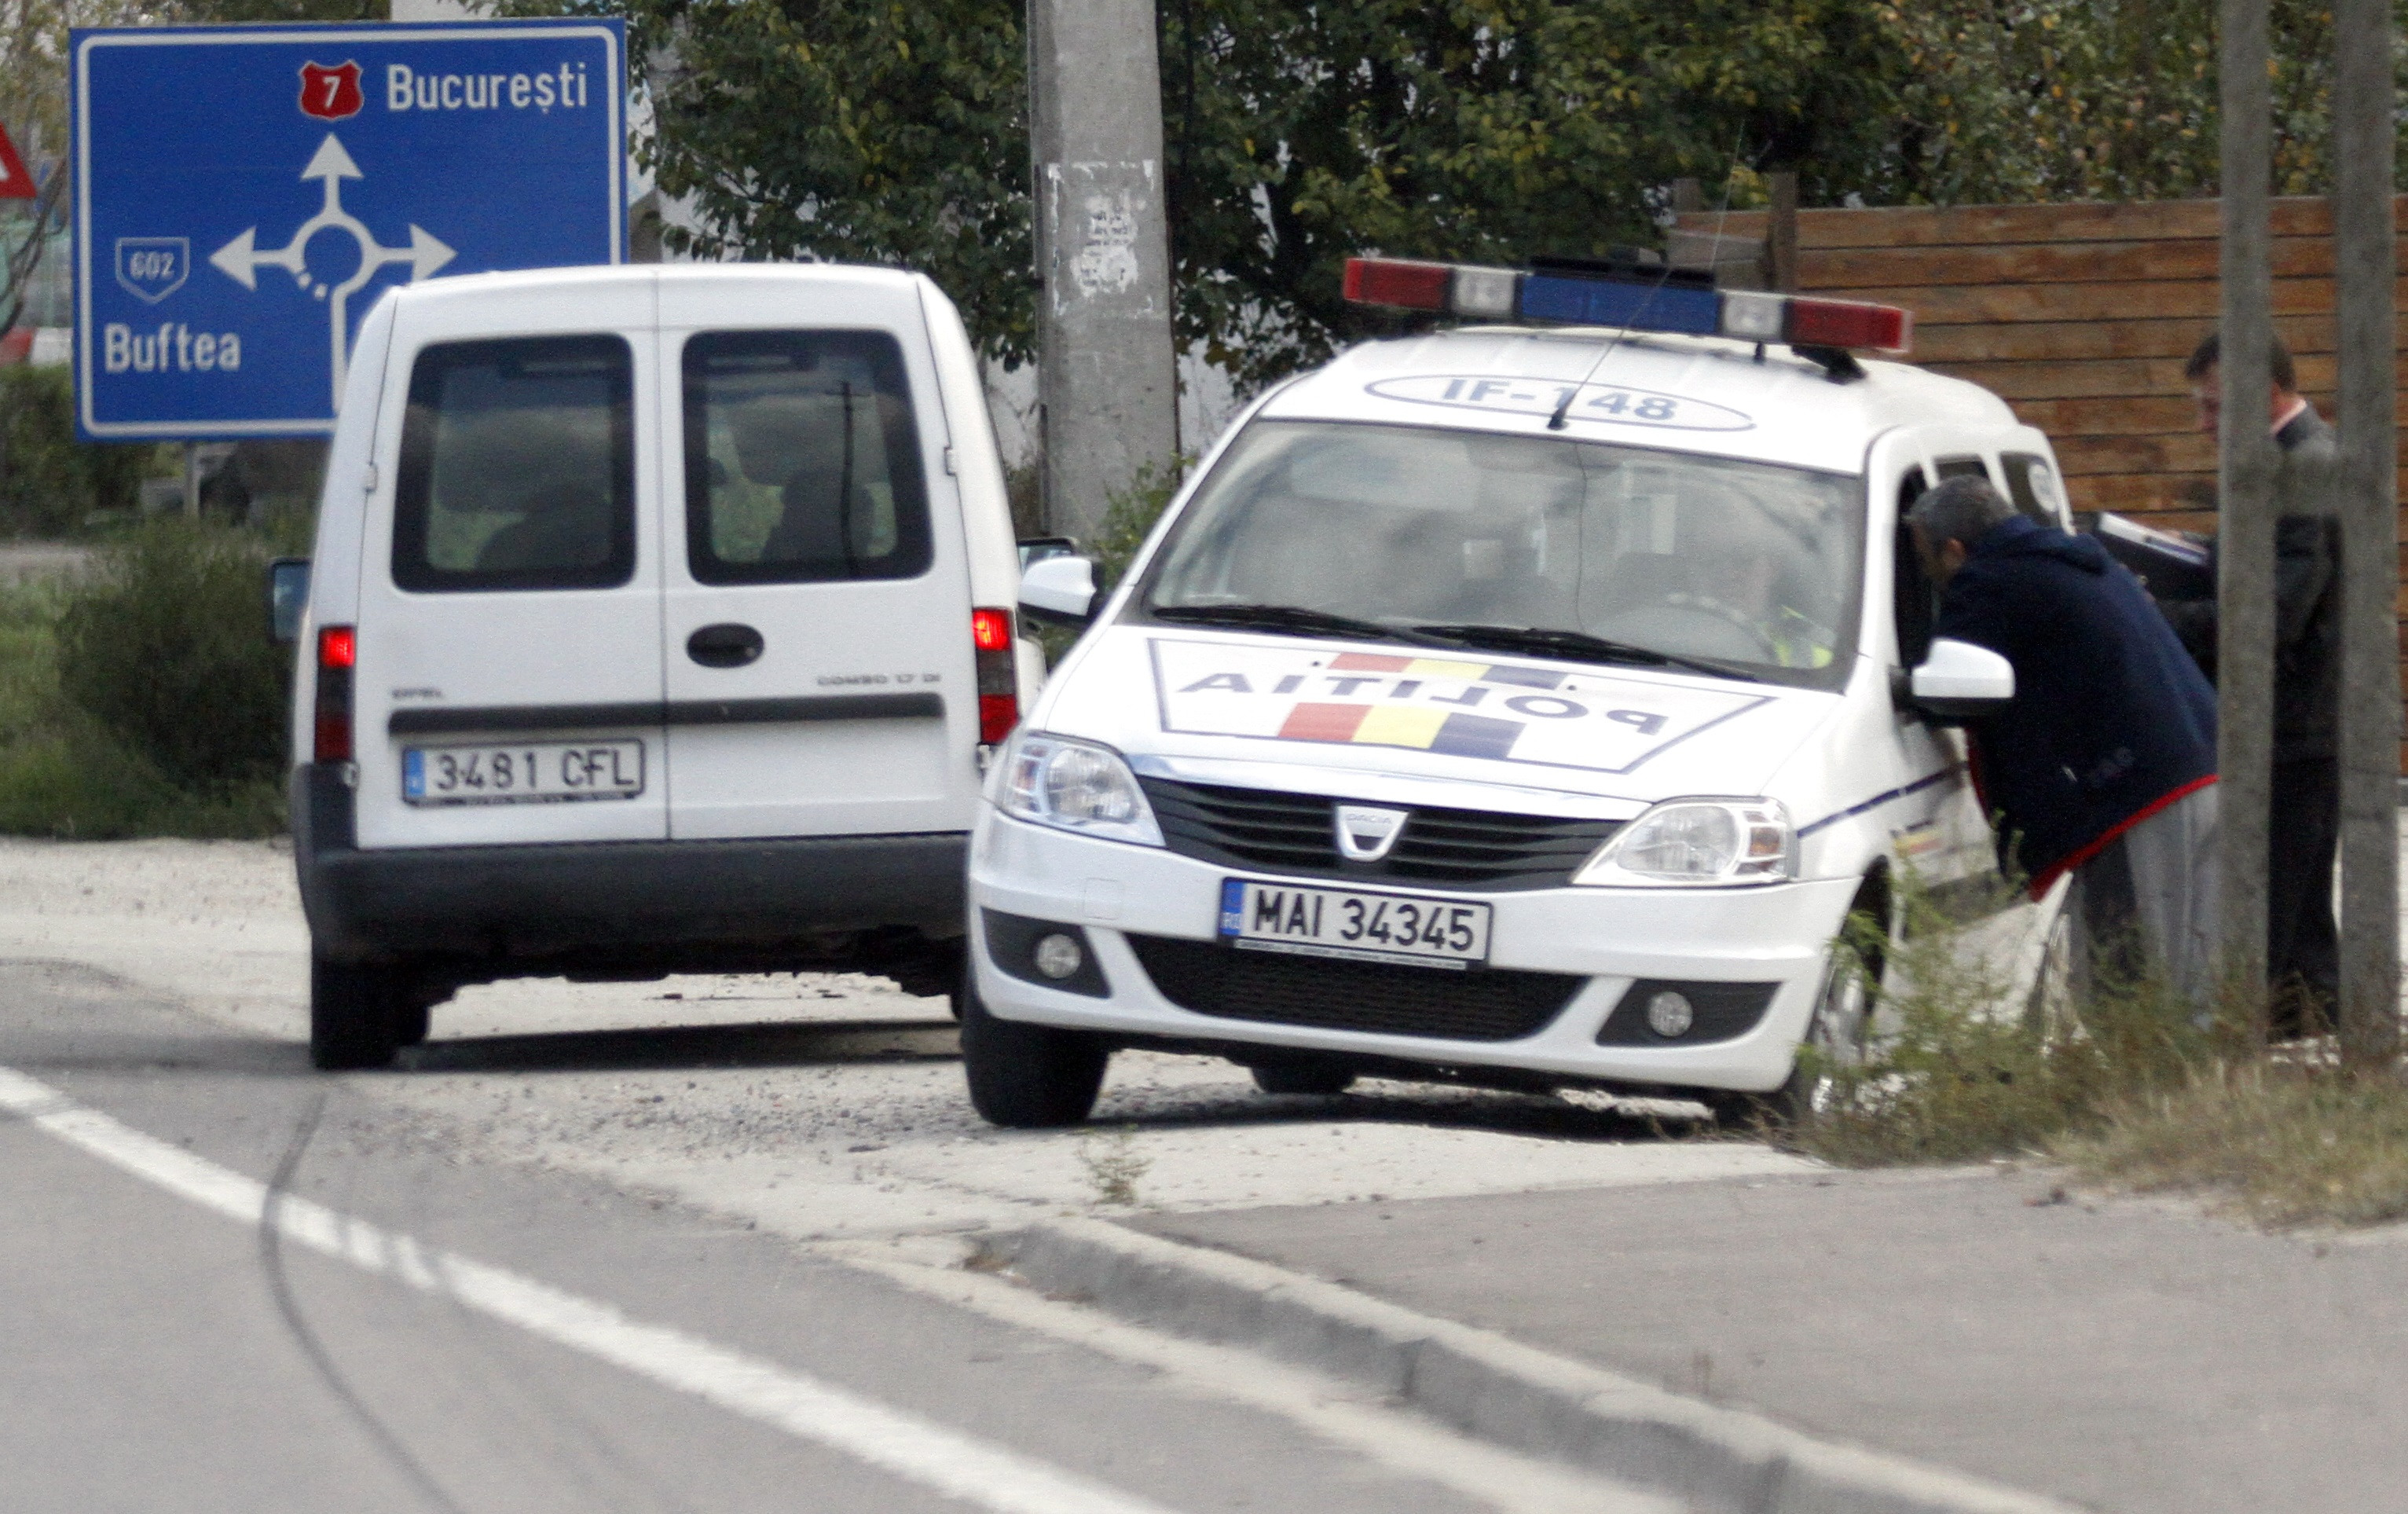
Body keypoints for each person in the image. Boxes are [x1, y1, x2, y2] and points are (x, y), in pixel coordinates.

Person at [1908, 475, 2221, 1004]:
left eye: (1926, 560)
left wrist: (1902, 687)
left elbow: (1946, 685)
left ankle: (2154, 1087)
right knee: (2187, 971)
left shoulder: (1988, 581)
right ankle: (2189, 1081)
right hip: (2197, 765)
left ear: (1955, 550)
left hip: (2141, 795)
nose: (1926, 574)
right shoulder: (2069, 559)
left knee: (2128, 982)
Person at [2157, 332, 2339, 1033]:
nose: (2202, 427)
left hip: (2290, 726)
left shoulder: (2302, 471)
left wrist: (2163, 618)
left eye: (2211, 409)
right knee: (2299, 930)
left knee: (2267, 917)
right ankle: (2327, 1062)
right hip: (2289, 723)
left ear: (2261, 395)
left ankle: (2249, 1062)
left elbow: (2275, 611)